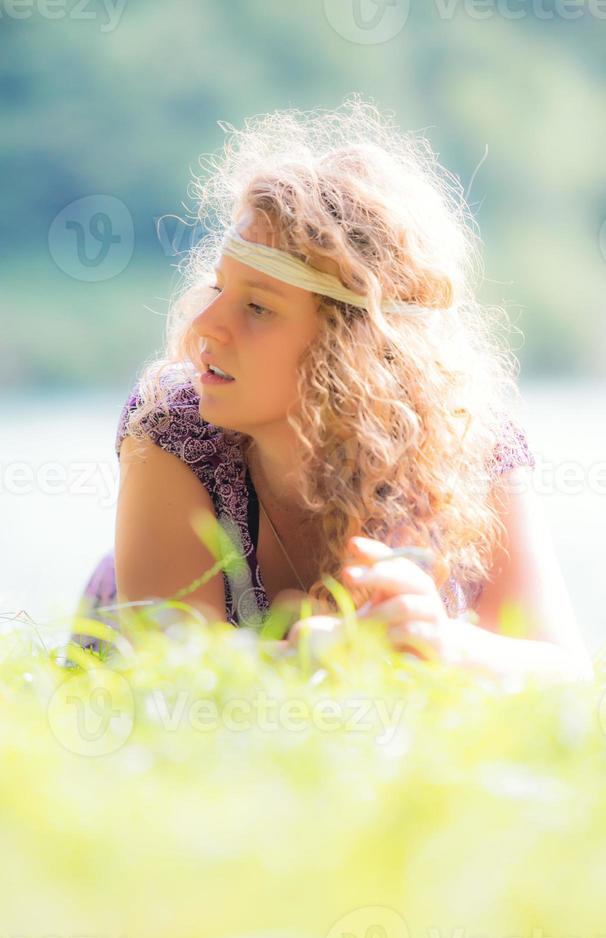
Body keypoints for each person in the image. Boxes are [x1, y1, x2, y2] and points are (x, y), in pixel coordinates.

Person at [69, 95, 592, 685]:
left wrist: (444, 646)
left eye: (258, 307)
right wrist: (306, 659)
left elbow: (565, 670)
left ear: (354, 348)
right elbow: (175, 674)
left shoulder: (466, 437)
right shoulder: (174, 426)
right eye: (218, 288)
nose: (203, 327)